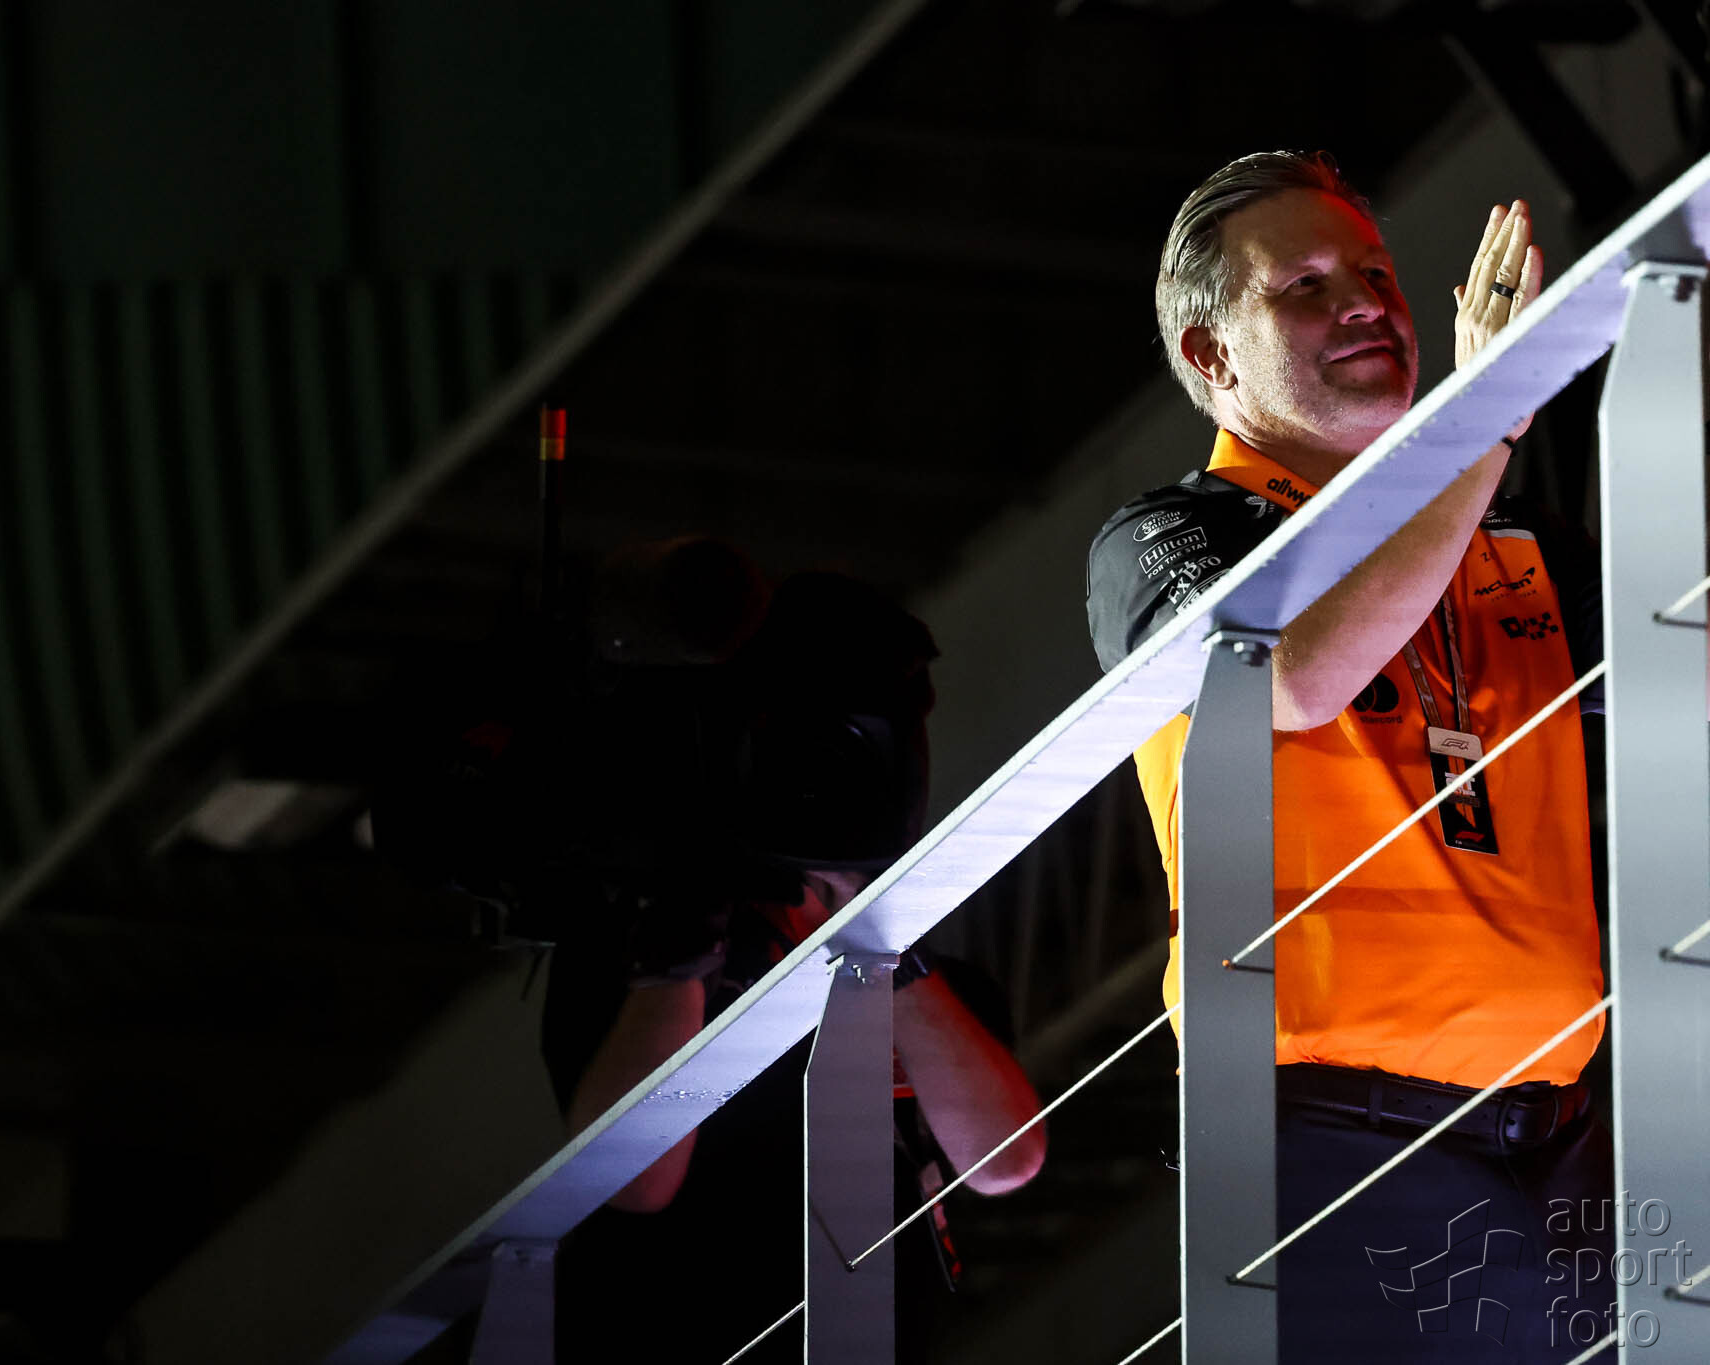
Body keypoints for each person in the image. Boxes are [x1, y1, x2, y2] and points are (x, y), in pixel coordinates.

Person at [1086, 152, 1620, 1362]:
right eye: (1305, 287)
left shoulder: (1511, 538)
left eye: (1373, 274)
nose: (1363, 303)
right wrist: (1483, 424)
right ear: (1210, 355)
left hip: (1561, 1137)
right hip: (1324, 1134)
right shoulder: (1168, 533)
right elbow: (1289, 680)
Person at [542, 567, 1046, 1365]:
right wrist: (688, 938)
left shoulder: (925, 980)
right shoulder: (646, 958)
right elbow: (635, 1183)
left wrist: (881, 937)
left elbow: (1006, 1163)